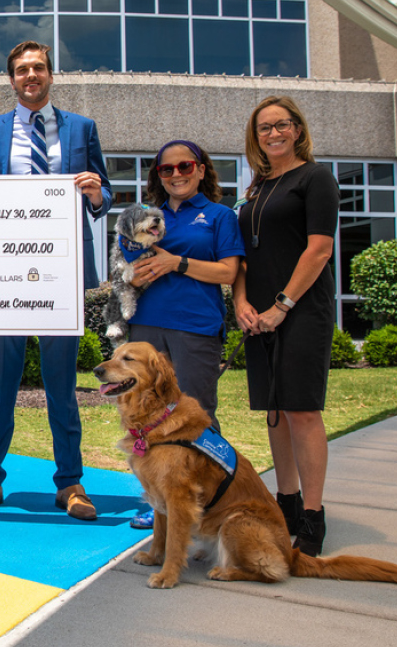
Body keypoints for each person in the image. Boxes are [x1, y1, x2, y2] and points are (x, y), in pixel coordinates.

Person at [0, 40, 112, 519]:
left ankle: (70, 483)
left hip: (60, 274)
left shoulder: (82, 128)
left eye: (40, 68)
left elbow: (104, 193)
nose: (32, 76)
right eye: (22, 70)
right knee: (0, 383)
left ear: (51, 75)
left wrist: (95, 193)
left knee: (61, 386)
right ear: (11, 79)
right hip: (4, 272)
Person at [233, 96, 339, 556]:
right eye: (263, 129)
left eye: (281, 125)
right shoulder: (257, 186)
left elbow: (318, 250)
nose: (273, 134)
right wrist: (240, 302)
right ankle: (287, 503)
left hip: (301, 310)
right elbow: (242, 254)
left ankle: (313, 517)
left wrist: (282, 304)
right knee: (275, 412)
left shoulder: (315, 178)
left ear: (297, 129)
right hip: (259, 316)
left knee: (301, 411)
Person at [125, 140, 244, 528]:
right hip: (145, 327)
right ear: (158, 175)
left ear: (202, 169)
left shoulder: (220, 216)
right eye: (167, 169)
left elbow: (228, 273)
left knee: (198, 418)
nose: (177, 174)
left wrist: (177, 263)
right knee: (145, 416)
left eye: (185, 166)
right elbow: (127, 263)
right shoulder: (146, 216)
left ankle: (214, 501)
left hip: (195, 327)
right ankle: (159, 503)